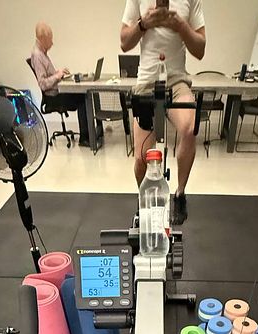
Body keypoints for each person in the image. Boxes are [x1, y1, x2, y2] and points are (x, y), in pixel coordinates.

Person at [120, 1, 206, 225]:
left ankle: (180, 194)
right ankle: (143, 201)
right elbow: (124, 43)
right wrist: (142, 24)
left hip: (177, 81)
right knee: (141, 158)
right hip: (147, 81)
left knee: (189, 128)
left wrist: (181, 26)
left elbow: (200, 50)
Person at [30, 21, 101, 147]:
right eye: (50, 39)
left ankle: (91, 133)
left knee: (83, 95)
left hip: (57, 92)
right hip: (53, 97)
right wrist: (57, 76)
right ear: (42, 39)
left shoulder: (42, 54)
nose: (52, 43)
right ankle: (85, 138)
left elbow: (47, 76)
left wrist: (59, 72)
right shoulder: (37, 55)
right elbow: (43, 84)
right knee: (83, 98)